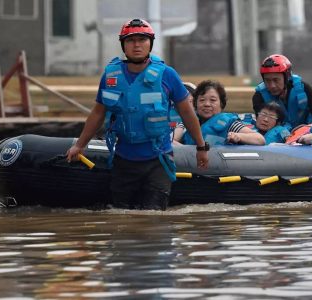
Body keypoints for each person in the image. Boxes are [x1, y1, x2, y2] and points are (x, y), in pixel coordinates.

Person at [66, 18, 209, 210]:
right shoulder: (111, 76)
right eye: (131, 40)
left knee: (154, 219)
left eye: (142, 40)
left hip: (158, 161)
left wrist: (201, 147)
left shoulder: (167, 74)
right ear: (123, 45)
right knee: (122, 217)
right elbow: (98, 113)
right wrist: (80, 145)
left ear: (150, 43)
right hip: (124, 161)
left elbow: (187, 112)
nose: (136, 45)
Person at [178, 80, 265, 146]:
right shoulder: (186, 122)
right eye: (202, 100)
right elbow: (173, 140)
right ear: (195, 103)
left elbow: (260, 139)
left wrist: (239, 136)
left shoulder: (230, 124)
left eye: (213, 100)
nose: (207, 104)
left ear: (221, 104)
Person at [252, 54, 312, 129]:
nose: (272, 85)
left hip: (306, 134)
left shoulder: (304, 89)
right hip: (277, 136)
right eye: (267, 80)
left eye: (276, 80)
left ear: (287, 77)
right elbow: (262, 128)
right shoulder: (259, 96)